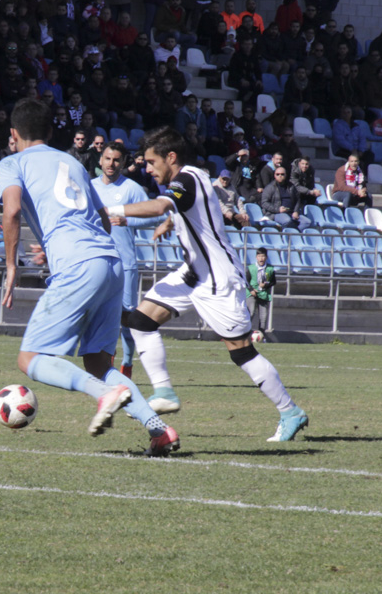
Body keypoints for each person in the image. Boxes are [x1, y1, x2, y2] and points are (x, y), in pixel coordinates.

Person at [0, 98, 179, 456]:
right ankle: (159, 430)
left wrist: (11, 266)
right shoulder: (70, 161)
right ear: (50, 132)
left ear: (13, 135)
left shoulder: (12, 162)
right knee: (98, 361)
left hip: (79, 263)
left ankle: (104, 394)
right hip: (109, 261)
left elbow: (12, 209)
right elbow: (101, 216)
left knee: (29, 358)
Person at [103, 126, 309, 442]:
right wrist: (170, 222)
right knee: (141, 320)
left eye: (150, 162)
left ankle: (290, 411)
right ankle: (164, 392)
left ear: (170, 157)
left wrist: (110, 211)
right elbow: (184, 209)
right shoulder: (193, 177)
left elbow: (161, 205)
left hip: (217, 280)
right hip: (192, 274)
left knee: (242, 352)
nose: (147, 168)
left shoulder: (184, 180)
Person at [92, 142, 160, 379]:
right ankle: (105, 367)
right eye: (108, 159)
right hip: (97, 262)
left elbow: (156, 215)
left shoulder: (131, 188)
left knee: (125, 318)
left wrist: (128, 221)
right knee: (100, 316)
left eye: (117, 160)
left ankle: (127, 363)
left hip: (125, 264)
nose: (112, 164)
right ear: (100, 160)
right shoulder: (89, 188)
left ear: (123, 163)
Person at [247, 247, 276, 340]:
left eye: (263, 256)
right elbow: (245, 280)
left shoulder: (270, 269)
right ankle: (246, 334)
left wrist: (266, 285)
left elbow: (273, 281)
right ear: (256, 257)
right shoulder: (251, 268)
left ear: (266, 257)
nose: (261, 258)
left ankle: (262, 336)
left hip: (263, 294)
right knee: (251, 312)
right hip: (252, 293)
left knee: (263, 316)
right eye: (259, 256)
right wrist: (251, 289)